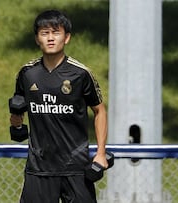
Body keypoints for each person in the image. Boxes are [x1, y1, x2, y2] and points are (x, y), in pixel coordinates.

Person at [10, 9, 108, 203]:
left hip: (76, 167)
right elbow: (17, 109)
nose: (51, 38)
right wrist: (16, 124)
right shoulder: (27, 74)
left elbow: (100, 111)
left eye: (56, 32)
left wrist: (101, 154)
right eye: (44, 33)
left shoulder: (81, 74)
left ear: (67, 37)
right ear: (37, 39)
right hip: (39, 168)